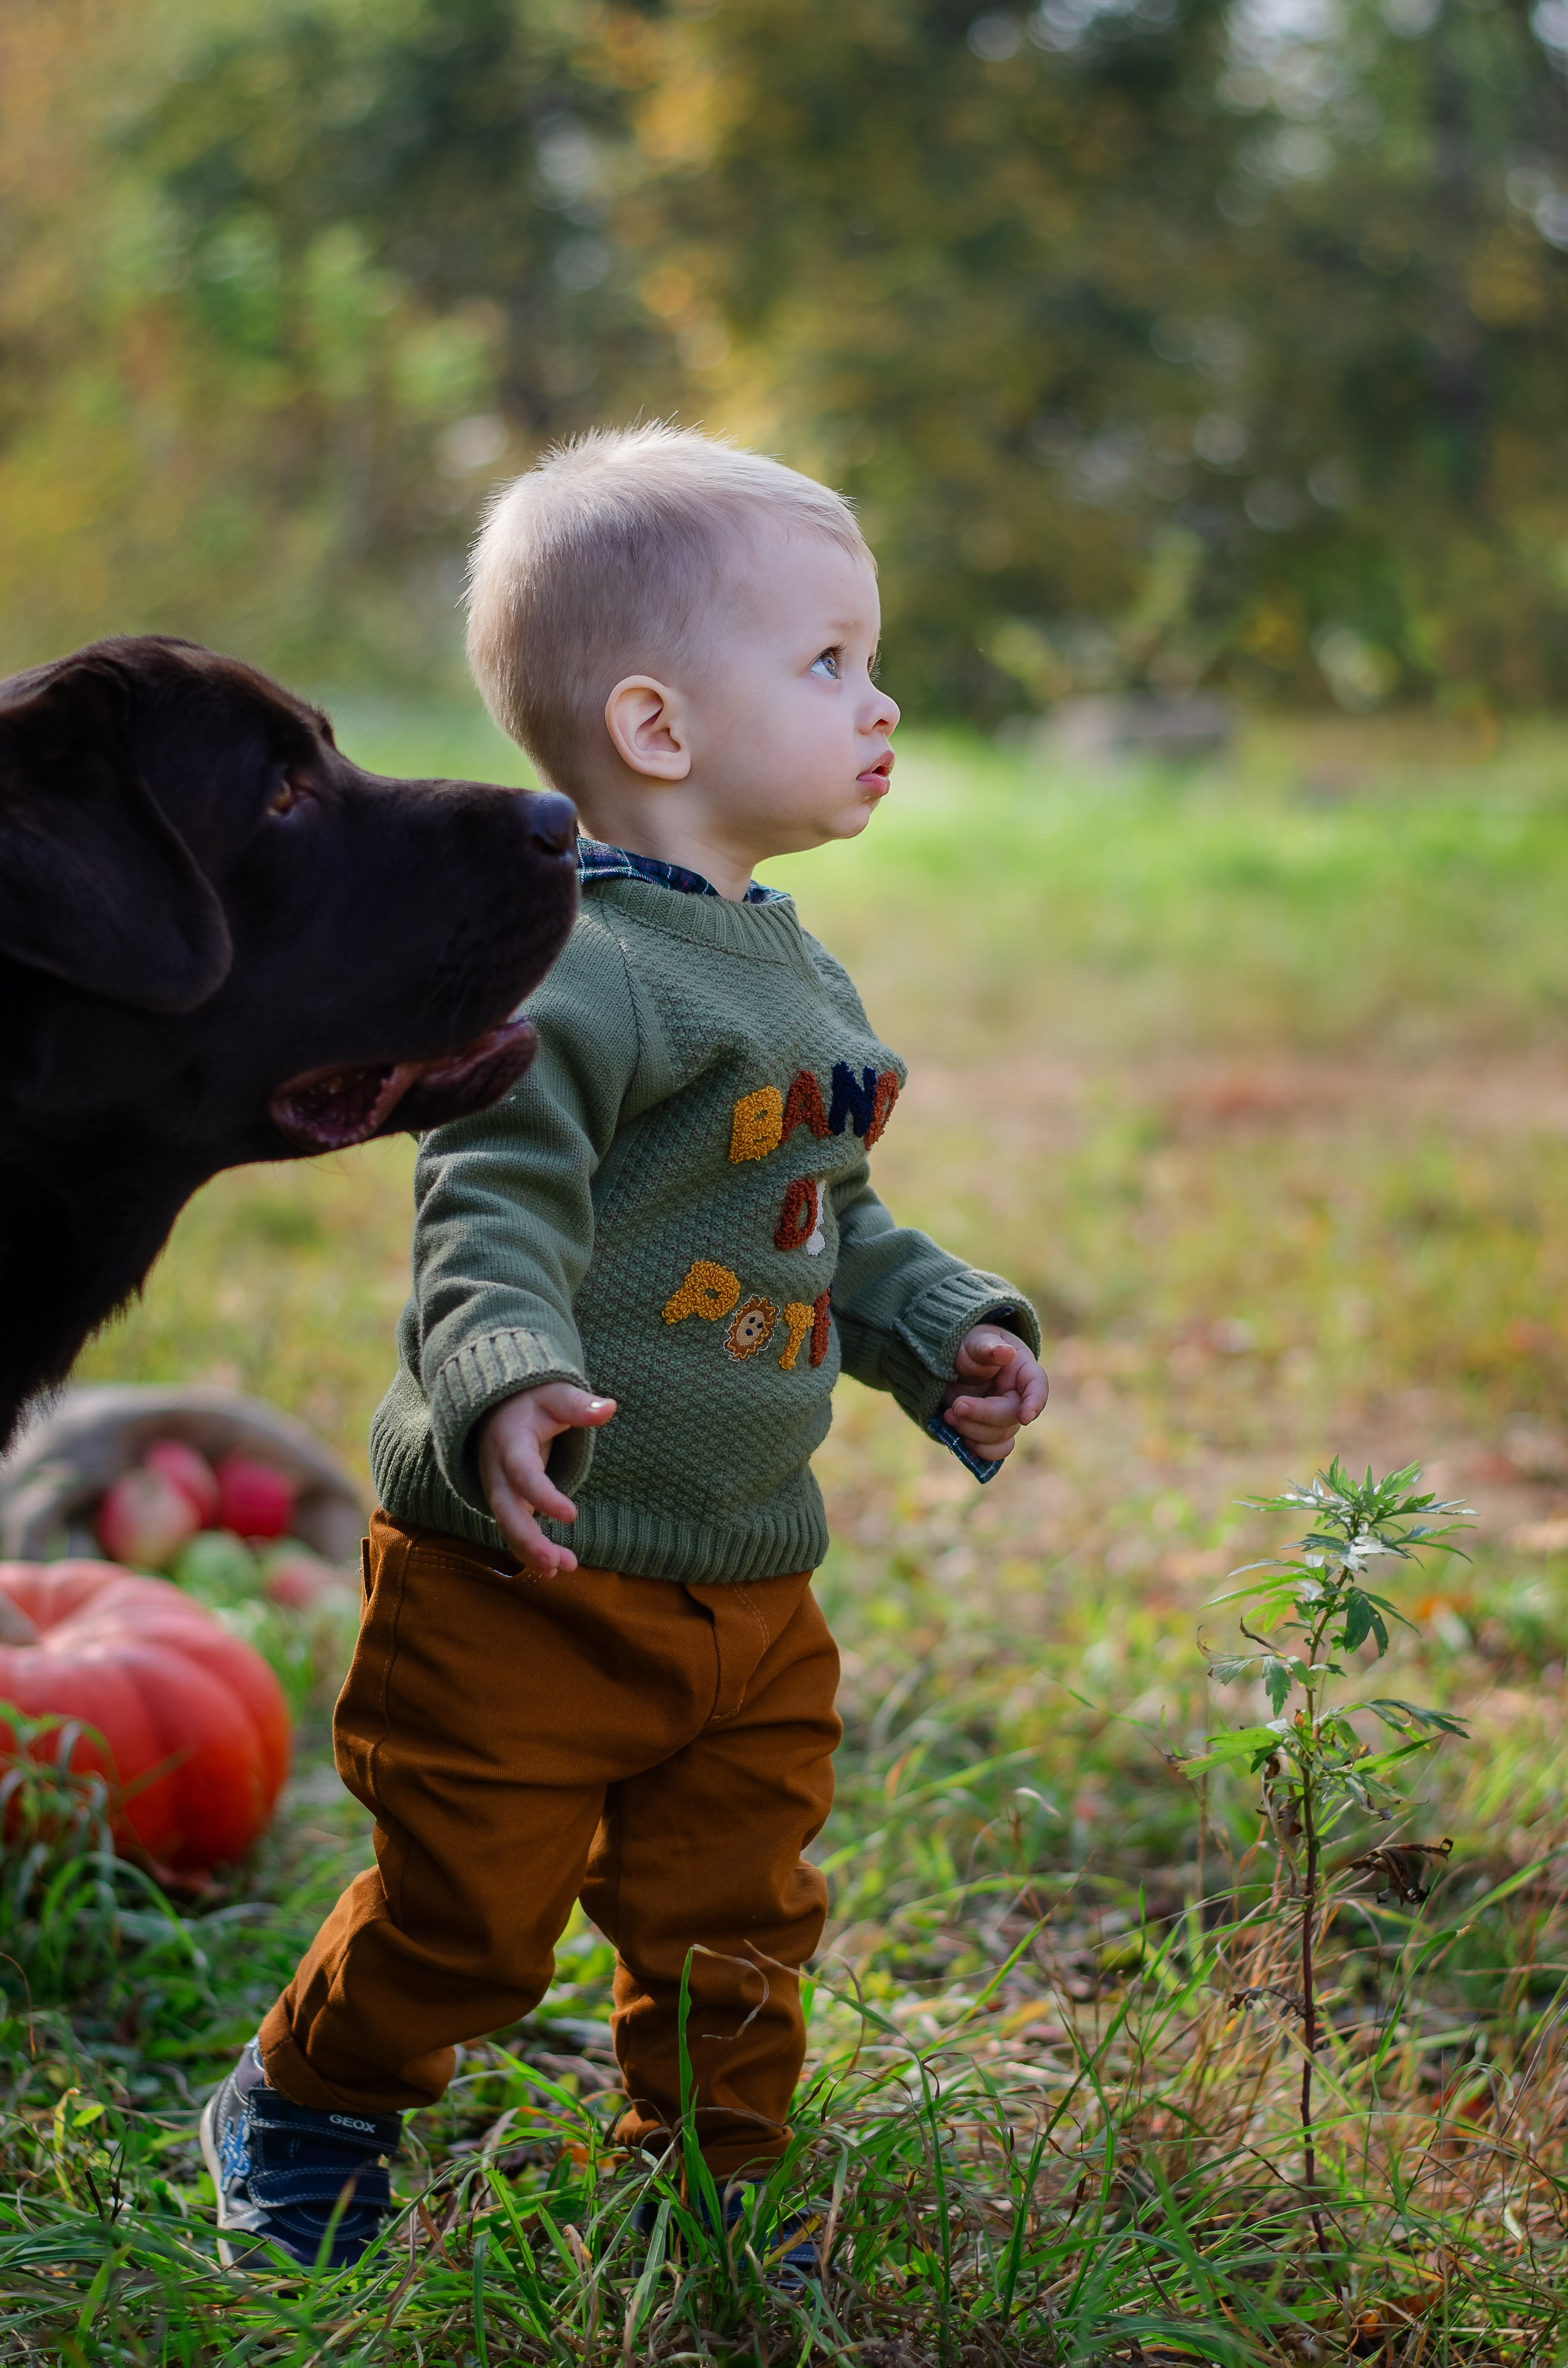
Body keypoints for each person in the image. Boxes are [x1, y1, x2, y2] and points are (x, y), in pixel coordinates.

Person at [202, 424, 1047, 2276]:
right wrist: (503, 1371)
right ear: (659, 729)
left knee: (741, 1915)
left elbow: (825, 1214)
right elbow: (487, 1206)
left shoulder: (795, 969)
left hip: (748, 1577)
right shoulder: (574, 968)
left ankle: (711, 2184)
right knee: (467, 1926)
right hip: (531, 1571)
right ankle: (308, 2095)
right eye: (828, 663)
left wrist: (943, 1322)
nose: (880, 700)